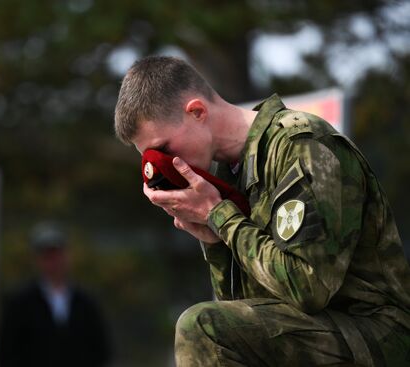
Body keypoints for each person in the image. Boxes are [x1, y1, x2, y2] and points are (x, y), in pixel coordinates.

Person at [114, 55, 410, 366]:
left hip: (374, 335)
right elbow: (245, 312)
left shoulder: (301, 144)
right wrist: (214, 239)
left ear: (197, 111)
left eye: (163, 149)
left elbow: (308, 288)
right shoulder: (231, 173)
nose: (160, 165)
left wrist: (220, 215)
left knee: (201, 327)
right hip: (319, 332)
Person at [0, 222, 111, 367]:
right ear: (38, 260)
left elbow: (100, 351)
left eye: (57, 255)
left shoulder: (85, 303)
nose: (54, 262)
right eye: (47, 256)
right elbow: (7, 352)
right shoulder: (20, 304)